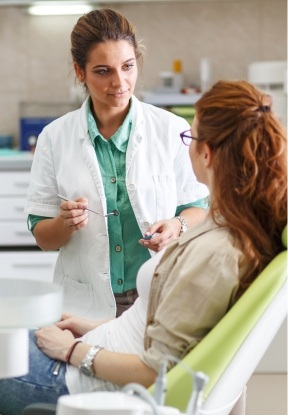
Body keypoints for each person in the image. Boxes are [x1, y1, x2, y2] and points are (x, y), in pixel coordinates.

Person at [1, 79, 286, 415]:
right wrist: (92, 329)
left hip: (83, 381)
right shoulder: (232, 231)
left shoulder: (216, 253)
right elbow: (165, 335)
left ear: (206, 152)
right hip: (97, 347)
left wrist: (70, 351)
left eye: (190, 137)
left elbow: (156, 372)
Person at [24, 8, 208, 319]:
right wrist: (63, 224)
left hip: (157, 295)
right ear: (79, 71)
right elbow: (43, 237)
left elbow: (198, 207)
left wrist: (177, 225)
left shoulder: (171, 129)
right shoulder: (54, 137)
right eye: (103, 71)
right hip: (84, 303)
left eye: (127, 67)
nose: (119, 82)